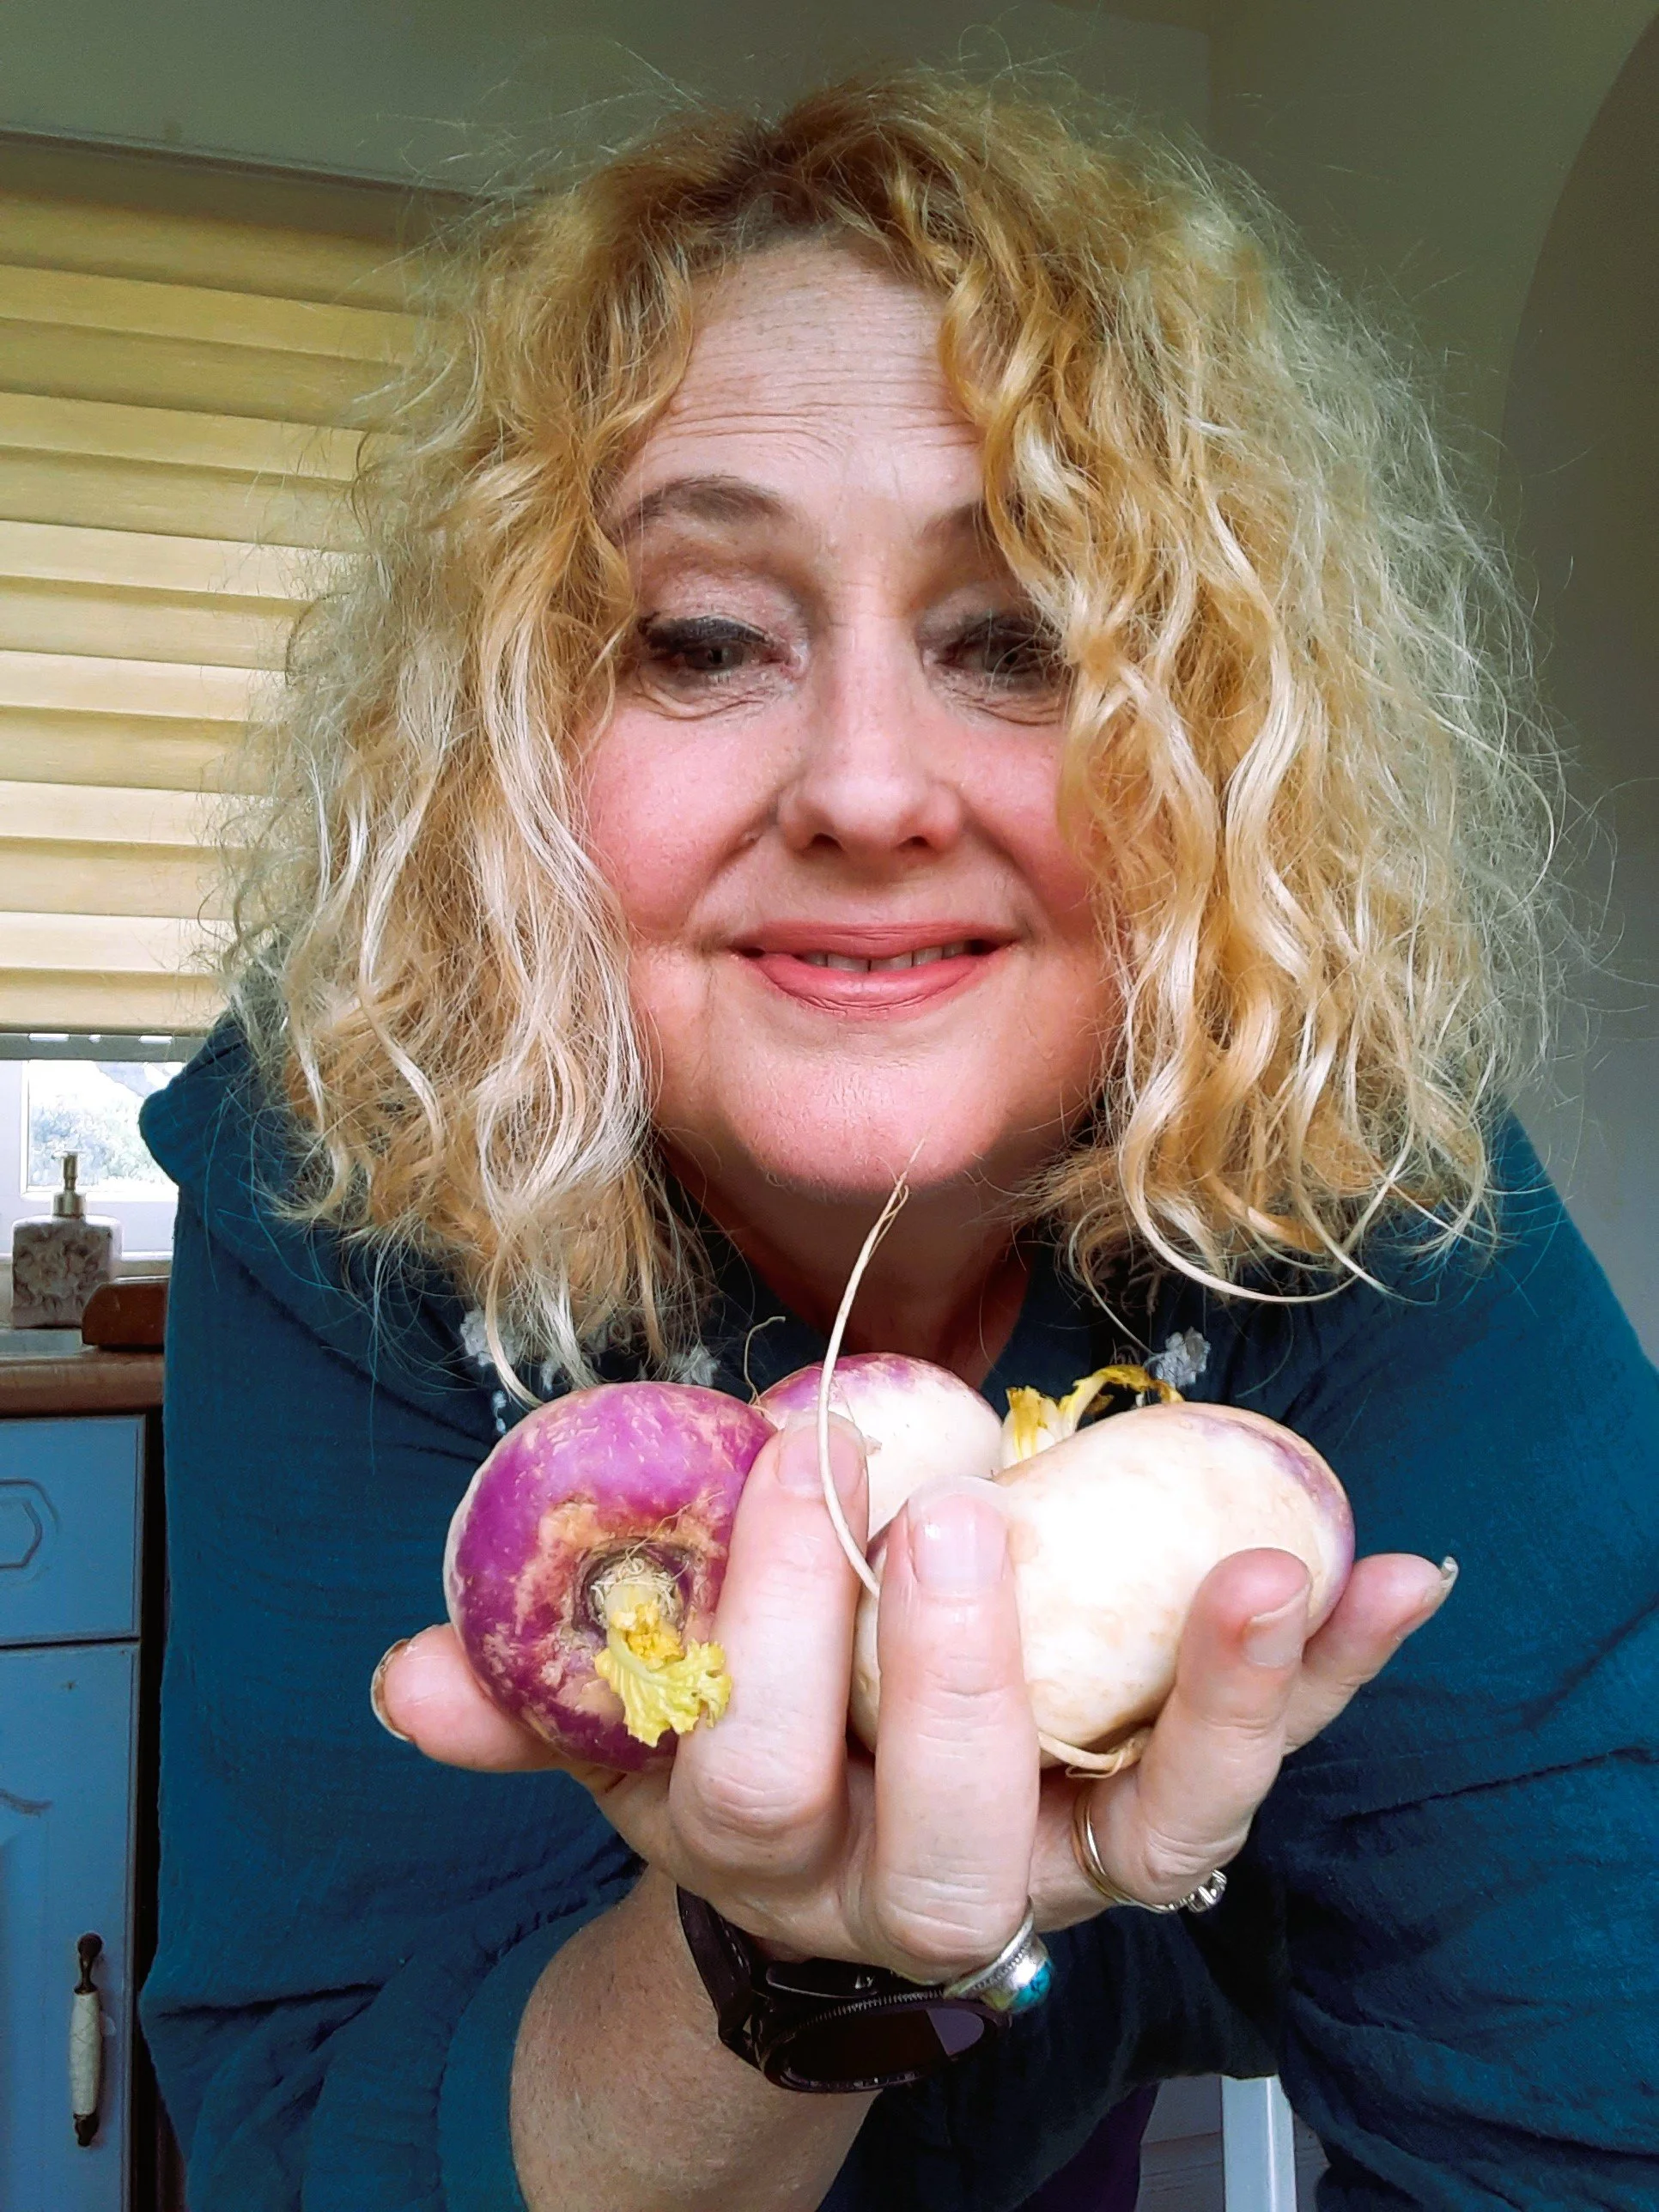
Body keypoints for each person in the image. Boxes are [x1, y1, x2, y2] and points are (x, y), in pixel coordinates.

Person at [137, 75, 1658, 2212]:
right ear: (510, 752)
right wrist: (784, 1968)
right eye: (699, 639)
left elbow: (1587, 2097)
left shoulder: (1356, 1168)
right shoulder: (350, 1172)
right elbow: (318, 2151)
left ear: (1225, 744)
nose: (865, 787)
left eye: (1018, 637)